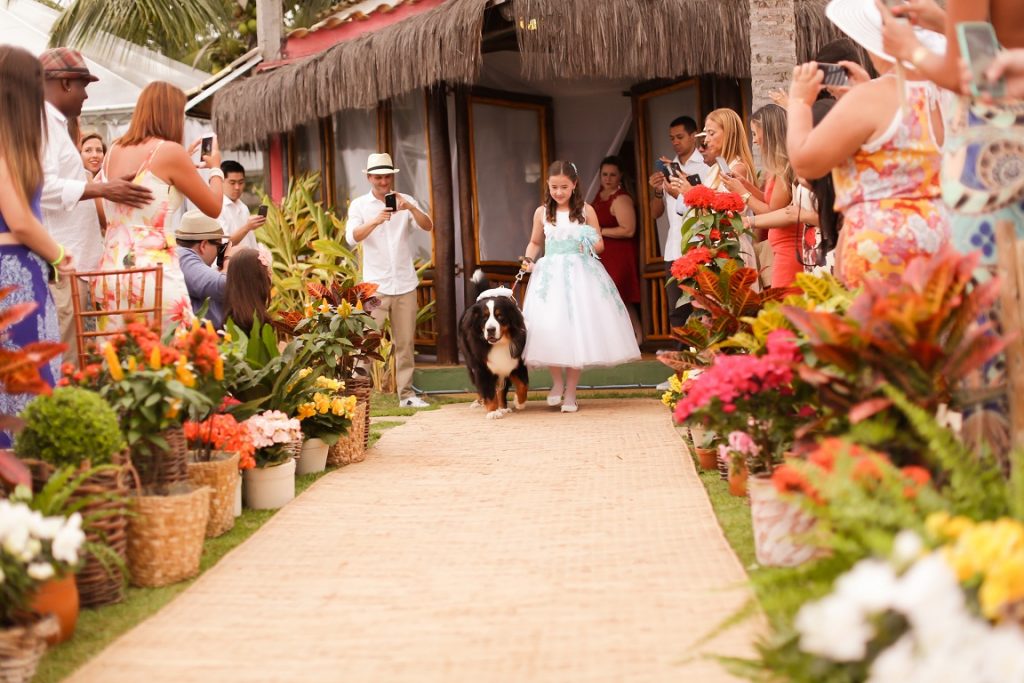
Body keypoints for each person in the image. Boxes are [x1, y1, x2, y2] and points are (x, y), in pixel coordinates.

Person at [787, 2, 949, 288]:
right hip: (936, 238)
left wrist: (799, 102)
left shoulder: (872, 97)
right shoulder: (939, 91)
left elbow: (805, 161)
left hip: (880, 245)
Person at [39, 48, 153, 363]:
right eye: (83, 85)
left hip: (79, 267)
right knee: (69, 363)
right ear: (64, 83)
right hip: (65, 266)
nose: (86, 95)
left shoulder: (56, 125)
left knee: (84, 359)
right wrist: (103, 187)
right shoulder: (44, 125)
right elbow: (42, 188)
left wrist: (108, 186)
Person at [93, 81, 224, 332]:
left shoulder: (113, 151)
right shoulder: (170, 152)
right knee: (171, 356)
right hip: (153, 273)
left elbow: (102, 211)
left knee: (121, 356)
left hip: (112, 270)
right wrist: (215, 167)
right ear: (171, 115)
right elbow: (214, 207)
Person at [520, 161, 641, 413]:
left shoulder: (586, 211)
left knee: (576, 330)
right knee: (551, 327)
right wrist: (528, 259)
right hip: (550, 275)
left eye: (564, 187)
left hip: (580, 273)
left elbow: (599, 244)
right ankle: (555, 383)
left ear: (574, 185)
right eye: (554, 187)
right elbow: (534, 241)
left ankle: (571, 393)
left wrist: (583, 243)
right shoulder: (542, 212)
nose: (559, 192)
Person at [0, 46, 75, 447]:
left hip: (23, 269)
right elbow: (22, 221)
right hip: (13, 272)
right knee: (25, 380)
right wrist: (61, 255)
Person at [345, 152, 434, 408]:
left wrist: (411, 207)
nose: (383, 182)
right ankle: (358, 397)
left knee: (405, 343)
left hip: (405, 283)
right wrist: (375, 220)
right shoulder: (360, 206)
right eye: (378, 177)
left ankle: (406, 396)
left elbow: (428, 226)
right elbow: (352, 237)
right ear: (370, 178)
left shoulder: (406, 201)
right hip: (375, 286)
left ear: (391, 177)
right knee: (367, 344)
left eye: (387, 177)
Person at [722, 104, 801, 288]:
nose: (755, 141)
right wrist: (746, 184)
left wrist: (742, 193)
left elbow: (771, 212)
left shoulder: (784, 167)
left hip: (788, 247)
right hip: (778, 246)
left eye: (756, 134)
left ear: (770, 133)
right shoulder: (775, 166)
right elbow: (769, 200)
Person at [647, 116, 711, 337]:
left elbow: (709, 203)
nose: (675, 142)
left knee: (702, 306)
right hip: (674, 246)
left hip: (700, 243)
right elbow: (656, 213)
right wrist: (657, 190)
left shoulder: (706, 164)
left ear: (694, 136)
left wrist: (684, 191)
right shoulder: (669, 167)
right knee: (677, 309)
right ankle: (683, 364)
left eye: (680, 137)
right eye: (671, 138)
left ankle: (702, 361)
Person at [592, 156, 641, 340]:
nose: (608, 178)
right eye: (604, 174)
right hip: (602, 254)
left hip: (619, 255)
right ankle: (616, 340)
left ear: (620, 176)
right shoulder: (597, 196)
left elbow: (629, 230)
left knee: (621, 296)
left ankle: (636, 338)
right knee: (607, 298)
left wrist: (600, 231)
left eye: (612, 174)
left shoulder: (621, 199)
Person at [175, 211, 227, 328]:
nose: (219, 253)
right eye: (219, 247)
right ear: (203, 245)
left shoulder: (185, 259)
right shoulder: (184, 256)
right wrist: (228, 261)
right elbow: (222, 285)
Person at [218, 160, 265, 249]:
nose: (237, 187)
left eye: (240, 182)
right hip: (229, 262)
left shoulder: (243, 207)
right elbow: (225, 245)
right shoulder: (217, 208)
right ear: (221, 182)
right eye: (232, 183)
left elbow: (251, 240)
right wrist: (247, 227)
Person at [224, 247, 271, 333]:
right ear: (256, 281)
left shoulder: (230, 318)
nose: (270, 276)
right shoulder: (253, 322)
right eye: (266, 273)